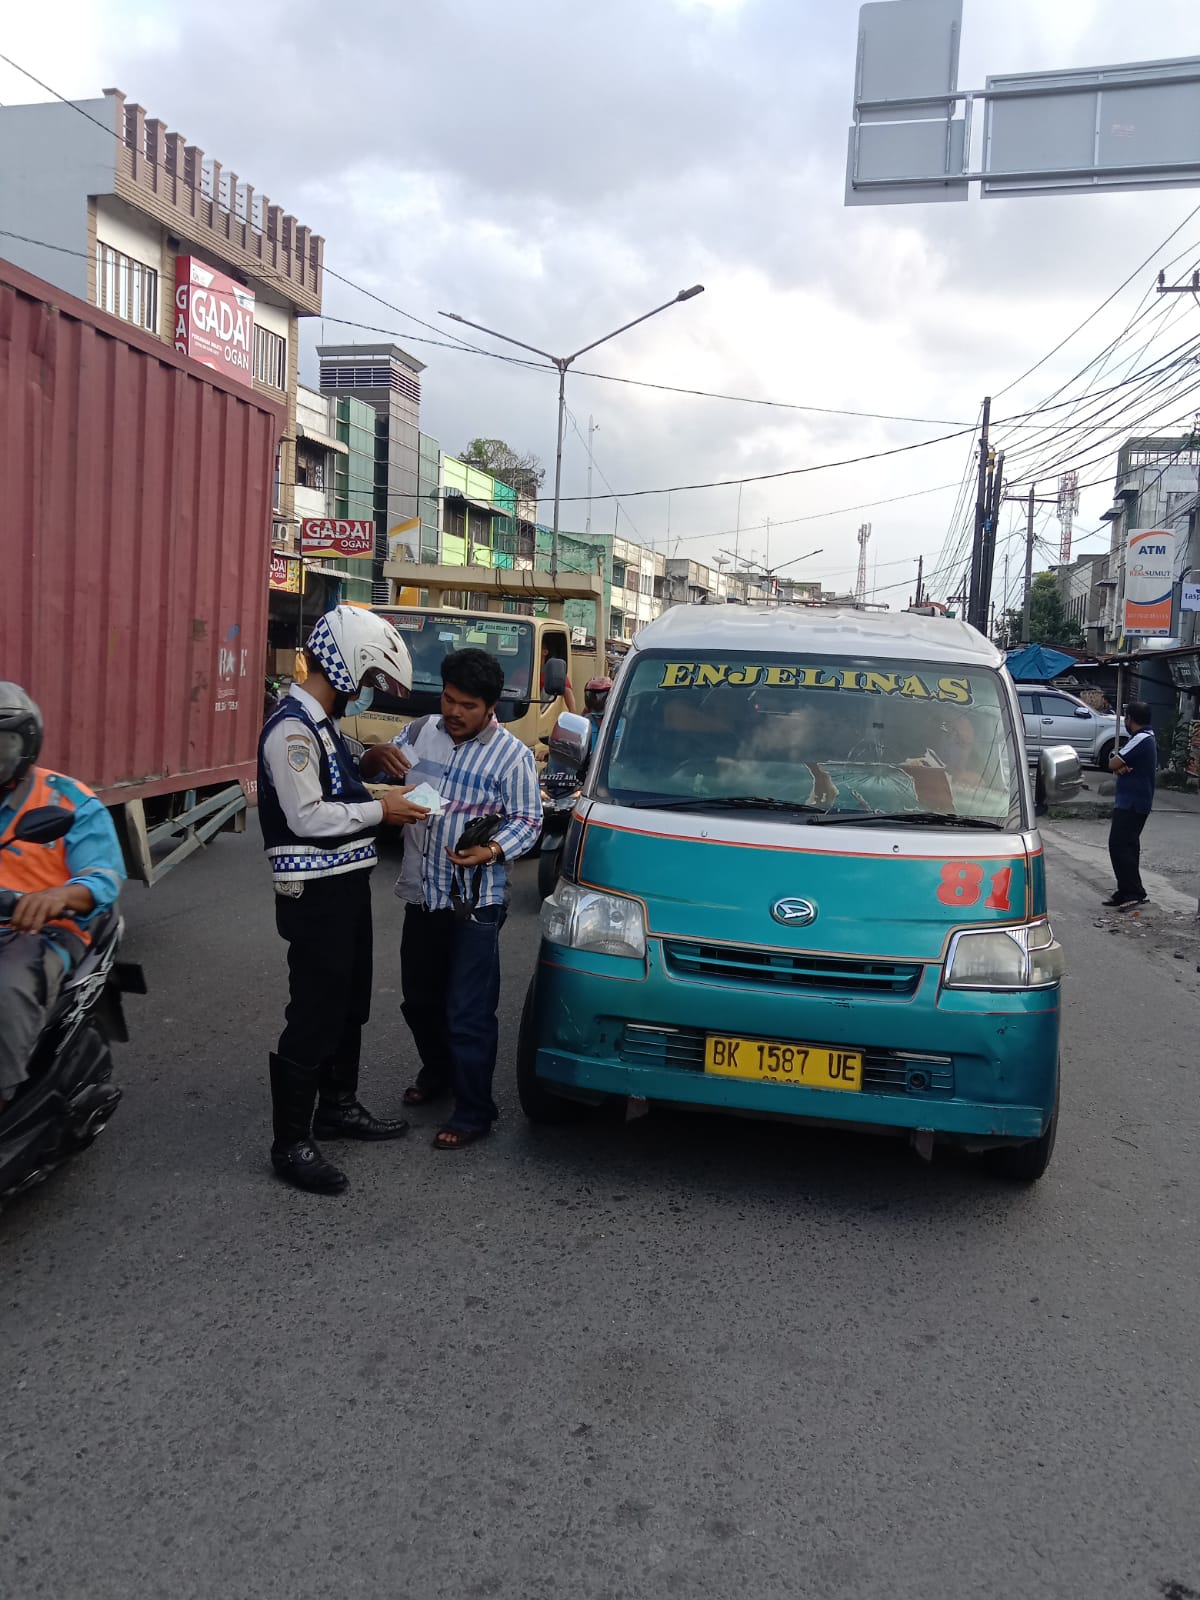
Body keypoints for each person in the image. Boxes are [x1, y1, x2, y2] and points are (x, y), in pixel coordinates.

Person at [259, 607, 431, 1195]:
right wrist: (384, 808)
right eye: (367, 681)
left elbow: (332, 779)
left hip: (346, 883)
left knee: (350, 1000)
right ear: (348, 665)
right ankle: (291, 1142)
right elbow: (306, 812)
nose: (365, 693)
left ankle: (337, 1106)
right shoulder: (291, 729)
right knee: (313, 1009)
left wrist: (368, 762)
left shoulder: (322, 723)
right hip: (314, 892)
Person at [361, 648, 541, 1150]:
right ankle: (438, 1071)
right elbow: (386, 771)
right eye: (448, 699)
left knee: (468, 1011)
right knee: (419, 1001)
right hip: (423, 894)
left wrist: (492, 849)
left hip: (475, 902)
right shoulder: (420, 732)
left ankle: (474, 1109)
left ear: (490, 709)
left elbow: (529, 820)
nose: (454, 712)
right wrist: (375, 758)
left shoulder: (513, 756)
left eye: (466, 705)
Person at [0, 684, 124, 1114]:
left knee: (7, 986)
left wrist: (58, 896)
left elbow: (104, 873)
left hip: (40, 932)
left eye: (3, 744)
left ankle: (4, 1099)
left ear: (27, 742)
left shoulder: (66, 799)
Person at [1103, 701, 1157, 909]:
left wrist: (1119, 765)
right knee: (1127, 847)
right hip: (1135, 801)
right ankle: (1126, 890)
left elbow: (1113, 763)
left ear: (1131, 719)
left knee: (1119, 845)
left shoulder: (1141, 738)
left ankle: (1133, 891)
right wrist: (1121, 766)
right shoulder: (1144, 738)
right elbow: (1120, 764)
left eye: (1126, 717)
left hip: (1132, 803)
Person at [542, 641, 576, 713]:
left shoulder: (554, 673)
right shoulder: (520, 673)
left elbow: (567, 692)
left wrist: (573, 716)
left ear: (545, 652)